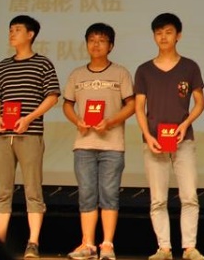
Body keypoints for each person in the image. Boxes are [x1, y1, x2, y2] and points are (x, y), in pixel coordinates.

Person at [134, 12, 204, 260]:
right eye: (159, 33)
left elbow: (199, 103)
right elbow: (139, 108)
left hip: (183, 141)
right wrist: (147, 135)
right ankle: (164, 248)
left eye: (168, 32)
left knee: (189, 196)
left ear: (179, 35)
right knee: (158, 199)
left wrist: (185, 124)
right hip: (154, 142)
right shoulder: (144, 70)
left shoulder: (189, 67)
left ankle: (189, 248)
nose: (163, 37)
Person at [0, 14, 61, 259]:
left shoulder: (43, 64)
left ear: (30, 34)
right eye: (10, 29)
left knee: (33, 189)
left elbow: (52, 96)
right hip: (2, 135)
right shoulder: (3, 65)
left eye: (17, 29)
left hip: (30, 134)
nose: (12, 33)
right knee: (2, 191)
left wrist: (29, 118)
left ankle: (33, 242)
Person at [62, 22, 136, 260]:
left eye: (102, 40)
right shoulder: (77, 74)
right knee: (86, 194)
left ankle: (107, 245)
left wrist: (111, 121)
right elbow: (67, 104)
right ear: (86, 44)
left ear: (111, 46)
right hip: (84, 144)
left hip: (112, 145)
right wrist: (77, 121)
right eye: (92, 40)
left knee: (109, 194)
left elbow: (132, 105)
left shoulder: (121, 73)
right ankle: (87, 244)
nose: (96, 45)